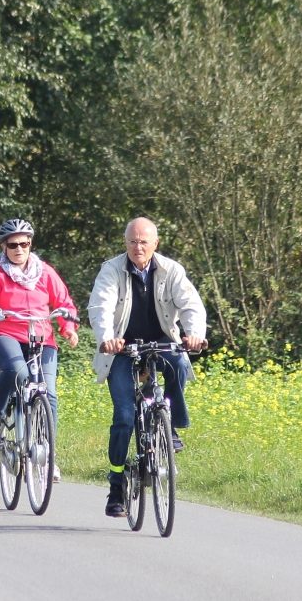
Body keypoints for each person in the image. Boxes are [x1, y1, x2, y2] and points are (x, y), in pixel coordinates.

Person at [88, 217, 207, 518]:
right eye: (132, 241)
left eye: (144, 241)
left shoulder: (171, 270)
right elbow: (100, 306)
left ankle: (173, 425)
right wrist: (107, 338)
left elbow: (191, 304)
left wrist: (194, 334)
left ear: (155, 243)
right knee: (125, 418)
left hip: (161, 341)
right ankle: (116, 485)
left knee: (179, 362)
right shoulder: (111, 270)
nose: (138, 247)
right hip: (122, 349)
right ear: (125, 243)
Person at [0, 218, 79, 484]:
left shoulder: (44, 272)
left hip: (42, 337)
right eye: (13, 244)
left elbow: (63, 301)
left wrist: (68, 327)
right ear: (3, 246)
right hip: (5, 333)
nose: (19, 249)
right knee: (16, 370)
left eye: (24, 243)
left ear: (30, 244)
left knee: (49, 394)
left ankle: (48, 457)